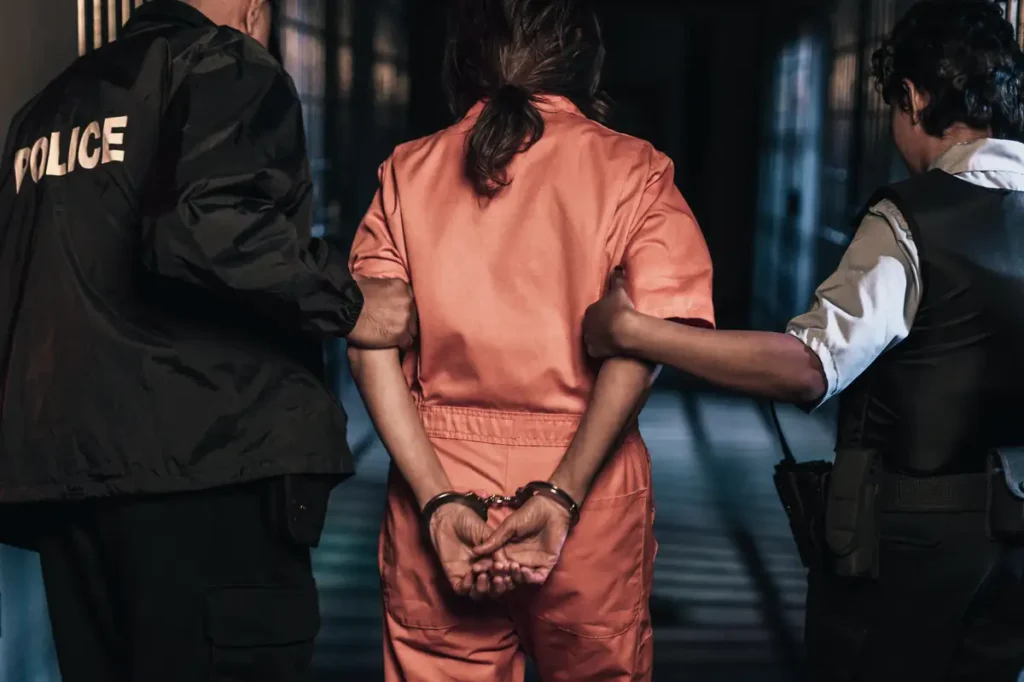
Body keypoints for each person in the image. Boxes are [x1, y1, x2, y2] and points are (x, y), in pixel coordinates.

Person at [583, 2, 1024, 680]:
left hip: (908, 543)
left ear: (913, 97)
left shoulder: (912, 221)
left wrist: (635, 331)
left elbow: (809, 367)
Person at [0, 0, 415, 680]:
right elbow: (204, 227)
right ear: (254, 8)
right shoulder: (221, 62)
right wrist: (349, 302)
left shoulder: (48, 110)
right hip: (209, 472)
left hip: (71, 489)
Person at [346, 0, 715, 679]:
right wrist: (561, 496)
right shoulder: (634, 171)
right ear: (586, 65)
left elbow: (368, 341)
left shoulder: (407, 170)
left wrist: (436, 502)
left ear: (461, 64)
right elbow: (648, 340)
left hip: (440, 479)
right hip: (589, 496)